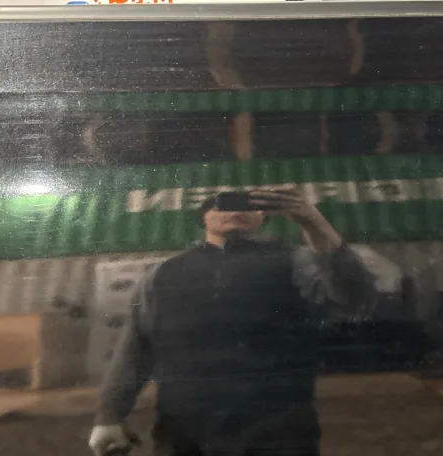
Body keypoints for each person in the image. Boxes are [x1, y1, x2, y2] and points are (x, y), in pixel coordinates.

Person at [89, 188, 377, 456]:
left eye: (248, 206)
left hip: (277, 429)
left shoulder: (296, 261)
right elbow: (135, 347)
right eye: (223, 205)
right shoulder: (163, 274)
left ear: (262, 217)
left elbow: (354, 301)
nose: (236, 212)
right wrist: (109, 416)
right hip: (185, 431)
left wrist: (315, 224)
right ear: (204, 217)